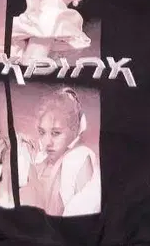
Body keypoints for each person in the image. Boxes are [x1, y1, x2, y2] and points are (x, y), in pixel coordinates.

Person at [17, 87, 101, 217]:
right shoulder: (39, 158)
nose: (47, 142)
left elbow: (82, 220)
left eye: (56, 133)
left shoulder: (78, 158)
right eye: (42, 132)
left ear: (74, 130)